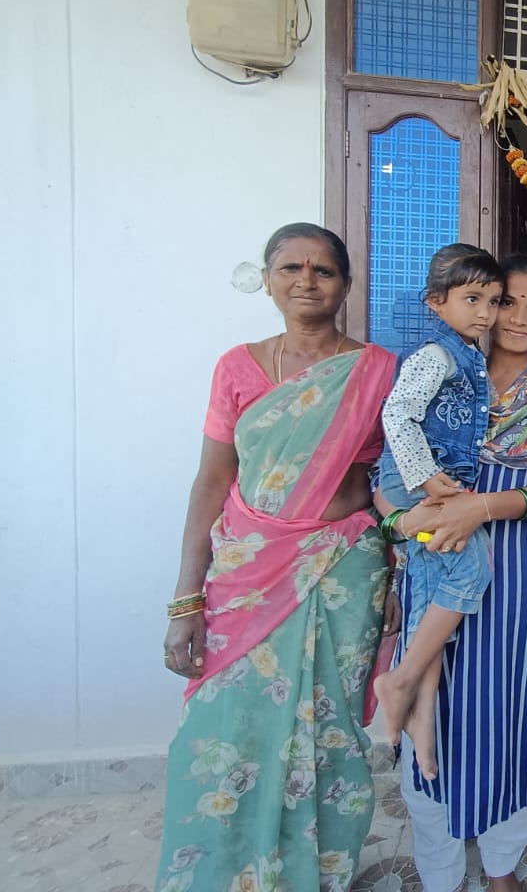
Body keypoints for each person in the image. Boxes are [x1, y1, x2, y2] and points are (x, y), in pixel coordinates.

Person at [156, 223, 398, 892]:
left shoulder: (379, 371)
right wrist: (186, 601)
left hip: (344, 571)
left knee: (330, 728)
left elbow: (399, 482)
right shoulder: (236, 367)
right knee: (227, 726)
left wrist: (403, 575)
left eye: (324, 270)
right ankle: (227, 872)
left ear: (346, 285)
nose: (307, 280)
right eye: (291, 267)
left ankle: (316, 873)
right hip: (247, 573)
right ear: (267, 281)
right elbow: (211, 482)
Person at [376, 255, 527, 892]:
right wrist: (402, 523)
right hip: (440, 564)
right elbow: (388, 471)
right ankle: (441, 871)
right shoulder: (444, 372)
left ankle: (502, 863)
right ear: (482, 306)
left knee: (520, 716)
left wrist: (479, 508)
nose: (520, 318)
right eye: (508, 302)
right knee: (438, 714)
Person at [371, 244, 505, 779]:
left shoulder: (467, 355)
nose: (485, 313)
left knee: (429, 597)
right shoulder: (436, 354)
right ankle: (400, 681)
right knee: (473, 568)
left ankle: (420, 714)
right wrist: (425, 475)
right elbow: (398, 414)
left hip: (431, 487)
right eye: (472, 299)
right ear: (435, 302)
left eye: (492, 301)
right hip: (415, 486)